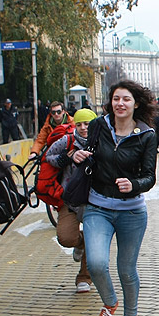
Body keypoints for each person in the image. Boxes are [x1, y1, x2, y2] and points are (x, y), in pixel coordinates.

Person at [77, 80, 158, 316]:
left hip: (132, 211)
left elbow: (149, 177)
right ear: (110, 102)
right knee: (98, 263)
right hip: (97, 206)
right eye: (116, 99)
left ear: (136, 104)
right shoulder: (99, 125)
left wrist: (133, 184)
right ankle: (110, 303)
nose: (120, 104)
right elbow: (87, 152)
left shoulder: (146, 134)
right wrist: (76, 156)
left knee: (126, 269)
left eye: (125, 99)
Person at [47, 107, 98, 293]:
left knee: (94, 240)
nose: (83, 128)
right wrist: (67, 158)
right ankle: (80, 243)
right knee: (66, 237)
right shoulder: (67, 140)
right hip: (69, 199)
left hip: (94, 199)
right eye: (79, 124)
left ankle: (84, 278)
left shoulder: (103, 141)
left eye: (87, 123)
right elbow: (48, 156)